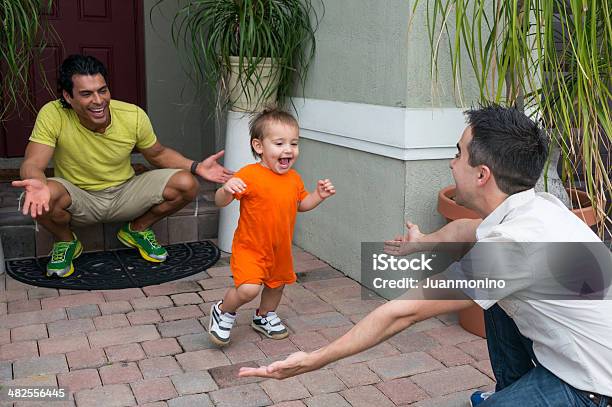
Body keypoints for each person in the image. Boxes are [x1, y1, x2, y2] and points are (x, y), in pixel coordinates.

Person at [239, 105, 612, 407]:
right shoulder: (535, 207)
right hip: (577, 353)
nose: (451, 163)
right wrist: (426, 242)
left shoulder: (512, 247)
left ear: (482, 174)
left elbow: (405, 312)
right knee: (491, 292)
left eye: (458, 154)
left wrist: (313, 360)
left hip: (592, 385)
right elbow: (469, 231)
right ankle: (511, 390)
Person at [12, 54, 233, 278]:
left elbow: (158, 154)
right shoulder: (53, 114)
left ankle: (136, 230)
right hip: (79, 196)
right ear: (68, 97)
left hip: (125, 193)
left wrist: (196, 167)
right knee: (40, 196)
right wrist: (37, 183)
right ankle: (66, 241)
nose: (98, 100)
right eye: (86, 94)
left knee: (186, 183)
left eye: (102, 90)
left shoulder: (132, 115)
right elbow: (33, 162)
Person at [209, 108, 335, 346]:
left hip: (280, 249)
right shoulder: (250, 175)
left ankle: (263, 317)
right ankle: (224, 311)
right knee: (248, 289)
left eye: (294, 143)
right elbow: (220, 201)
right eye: (279, 143)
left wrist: (318, 196)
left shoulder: (294, 179)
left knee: (276, 287)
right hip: (251, 248)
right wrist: (226, 189)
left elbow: (301, 205)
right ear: (259, 146)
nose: (288, 149)